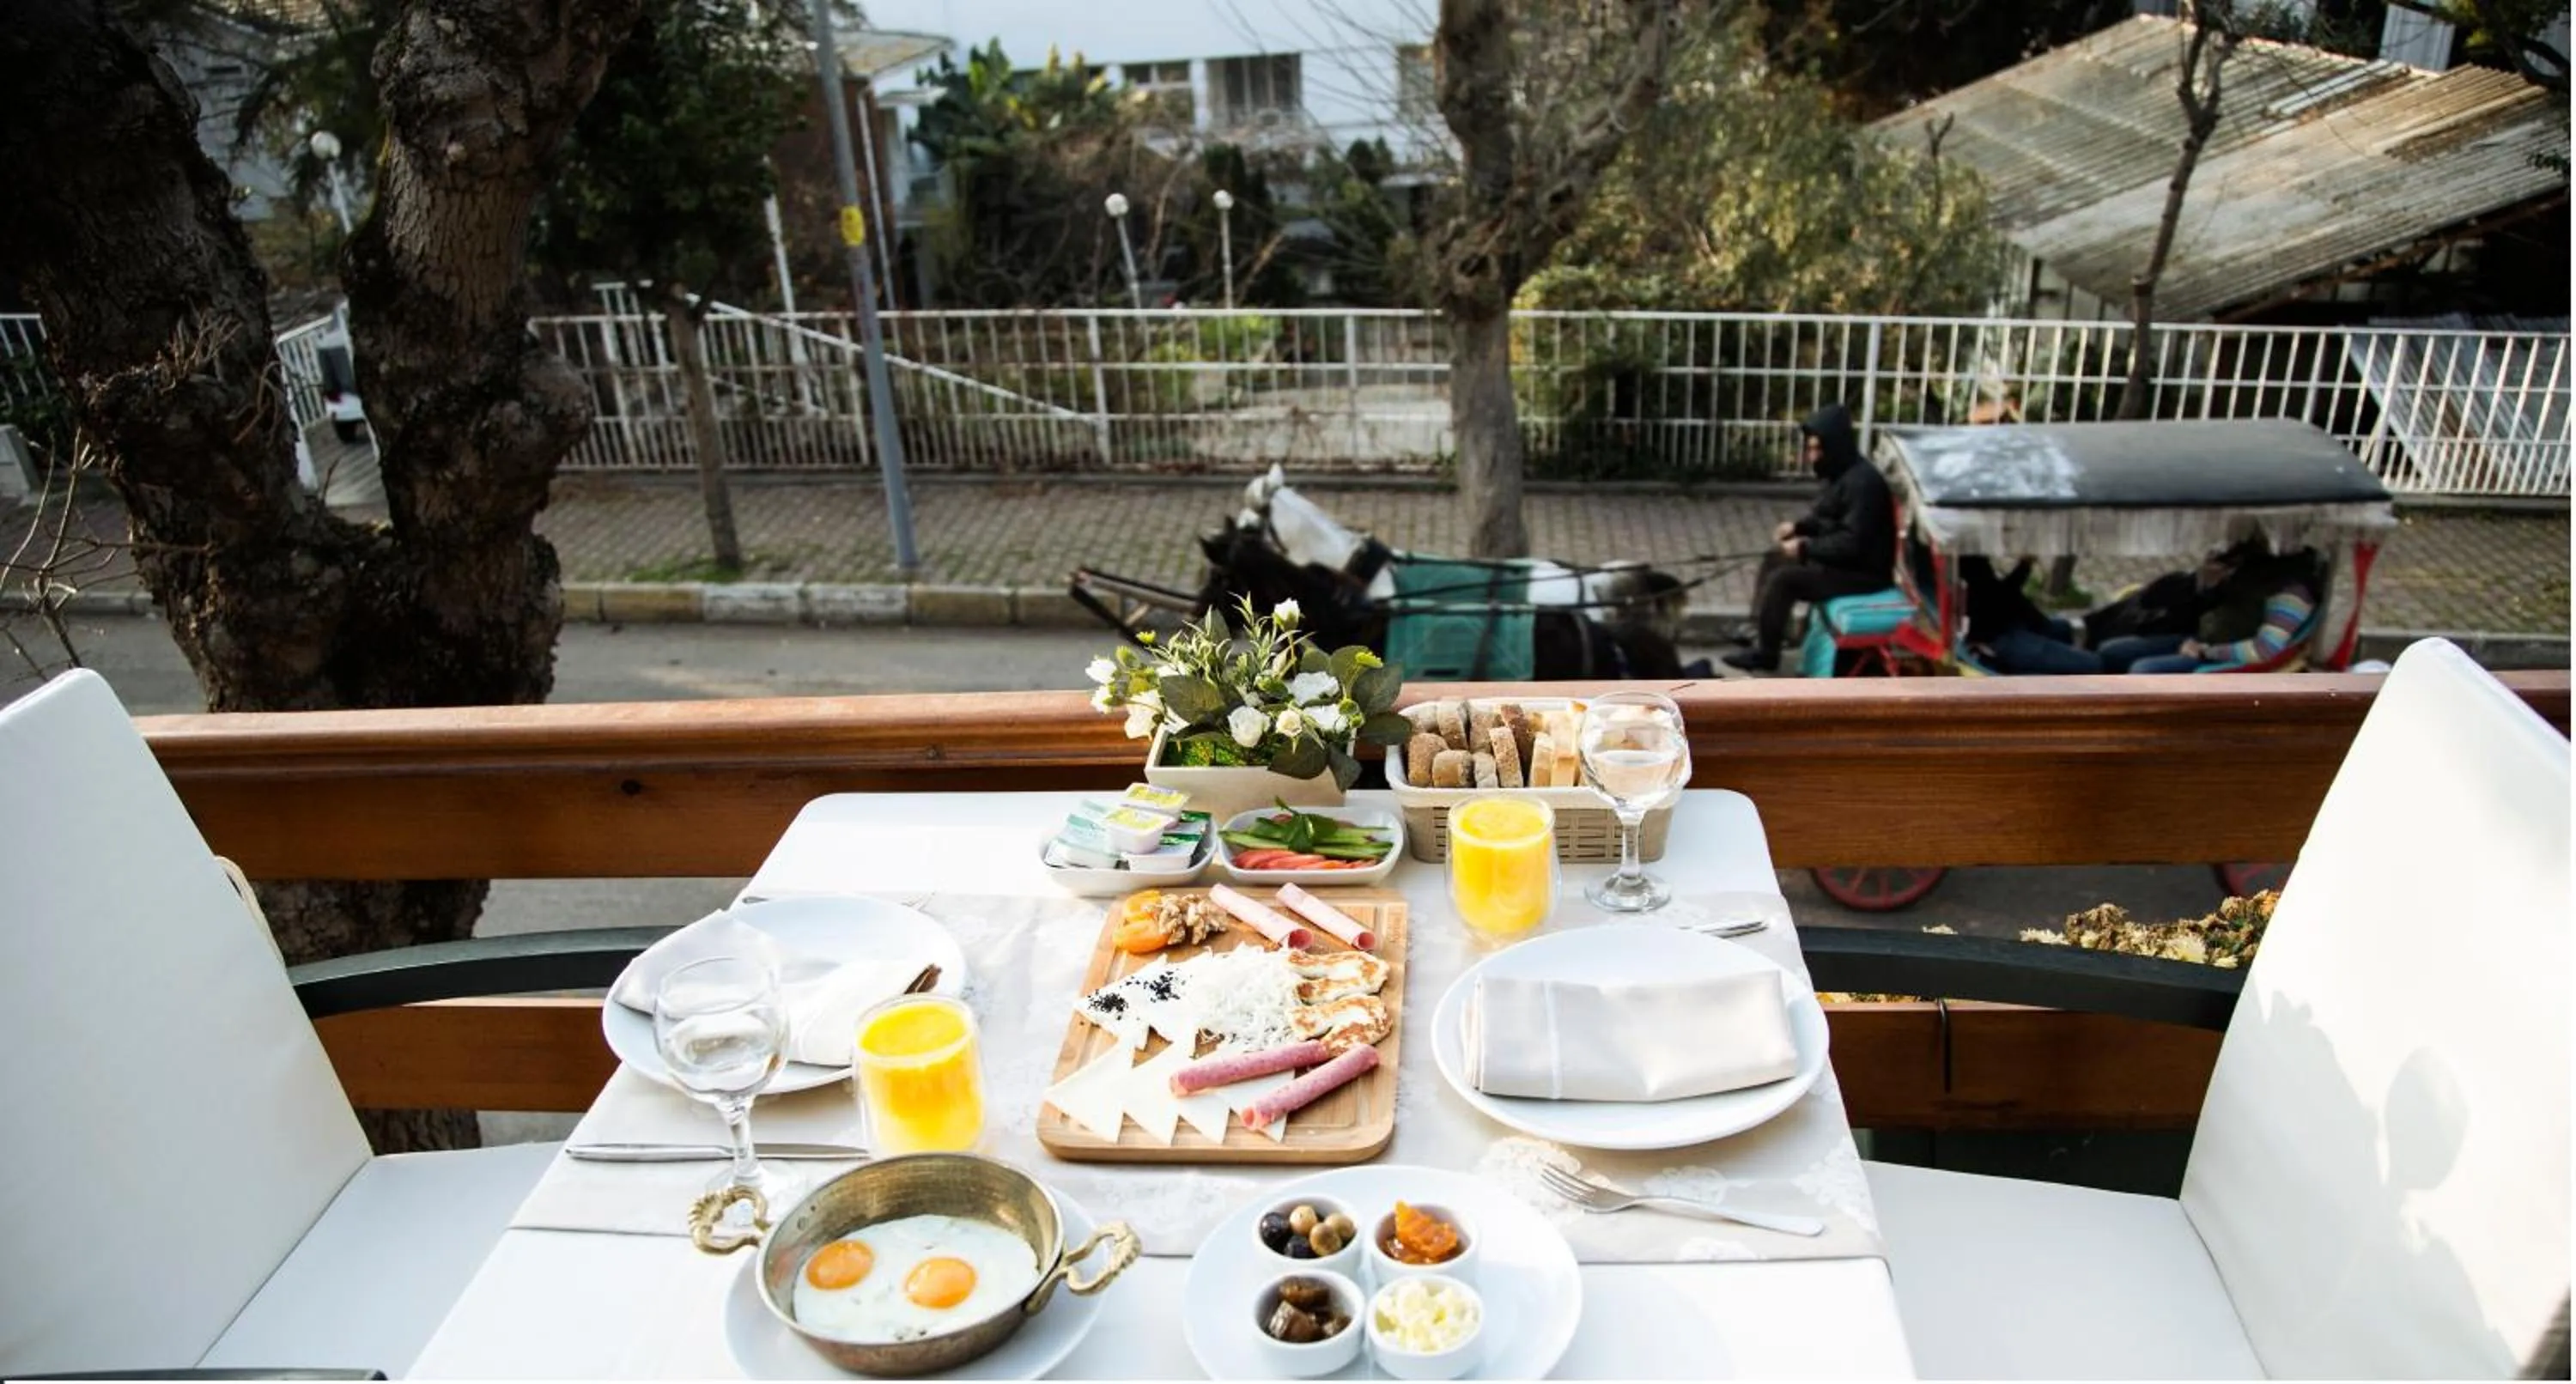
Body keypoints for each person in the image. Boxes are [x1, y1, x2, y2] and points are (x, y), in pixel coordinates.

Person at [1723, 403, 1895, 672]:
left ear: (1833, 447)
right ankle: (1759, 631)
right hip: (1845, 565)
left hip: (1863, 575)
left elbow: (1852, 543)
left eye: (1816, 449)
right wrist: (1798, 528)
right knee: (1775, 558)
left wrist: (1805, 548)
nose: (1811, 456)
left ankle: (1767, 655)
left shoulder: (1863, 485)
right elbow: (1826, 517)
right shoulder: (1843, 475)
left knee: (1786, 580)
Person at [2111, 549, 2321, 675]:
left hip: (2223, 655)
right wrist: (2207, 583)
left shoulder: (2291, 594)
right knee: (2114, 650)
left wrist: (2206, 651)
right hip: (2205, 638)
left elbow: (2264, 650)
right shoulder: (2250, 574)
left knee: (2143, 670)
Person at [1962, 555, 2101, 675]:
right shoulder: (1966, 562)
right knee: (2092, 664)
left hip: (2016, 625)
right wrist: (2025, 565)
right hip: (2001, 637)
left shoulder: (1974, 559)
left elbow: (1998, 595)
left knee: (2079, 630)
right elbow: (1994, 599)